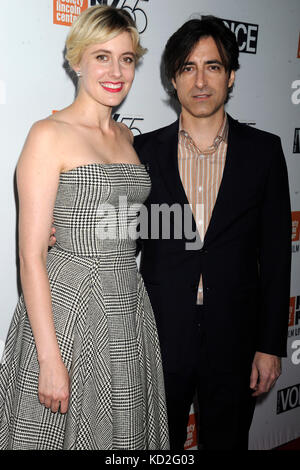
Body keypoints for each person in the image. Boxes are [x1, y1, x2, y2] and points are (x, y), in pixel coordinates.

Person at [0, 5, 169, 450]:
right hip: (70, 308)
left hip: (127, 302)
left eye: (127, 58)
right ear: (76, 61)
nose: (116, 71)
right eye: (101, 57)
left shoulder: (128, 139)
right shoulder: (47, 134)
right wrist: (49, 359)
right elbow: (31, 255)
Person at [132, 16, 291, 450]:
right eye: (187, 67)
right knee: (154, 444)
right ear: (172, 79)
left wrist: (269, 345)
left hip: (235, 334)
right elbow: (124, 236)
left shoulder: (265, 152)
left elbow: (277, 256)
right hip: (161, 331)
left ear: (231, 75)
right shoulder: (142, 151)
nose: (200, 80)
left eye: (213, 66)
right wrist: (68, 230)